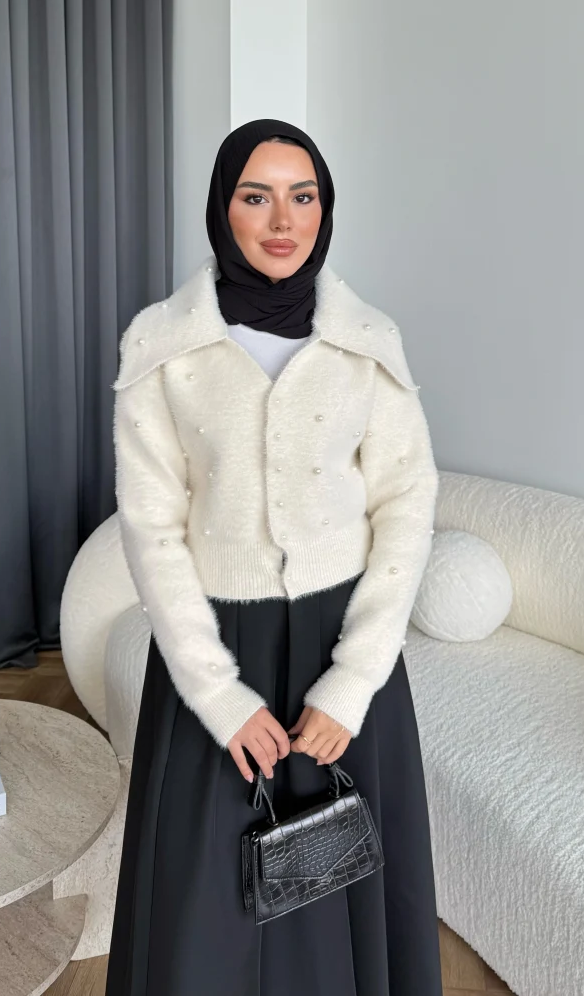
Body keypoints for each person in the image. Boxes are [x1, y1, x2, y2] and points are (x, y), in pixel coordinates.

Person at [105, 119, 443, 996]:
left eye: (304, 196)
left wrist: (352, 682)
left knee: (346, 879)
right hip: (213, 651)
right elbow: (151, 527)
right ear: (223, 207)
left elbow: (407, 503)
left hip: (345, 647)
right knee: (202, 899)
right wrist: (219, 695)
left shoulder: (368, 340)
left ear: (326, 209)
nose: (283, 220)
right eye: (256, 196)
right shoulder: (161, 346)